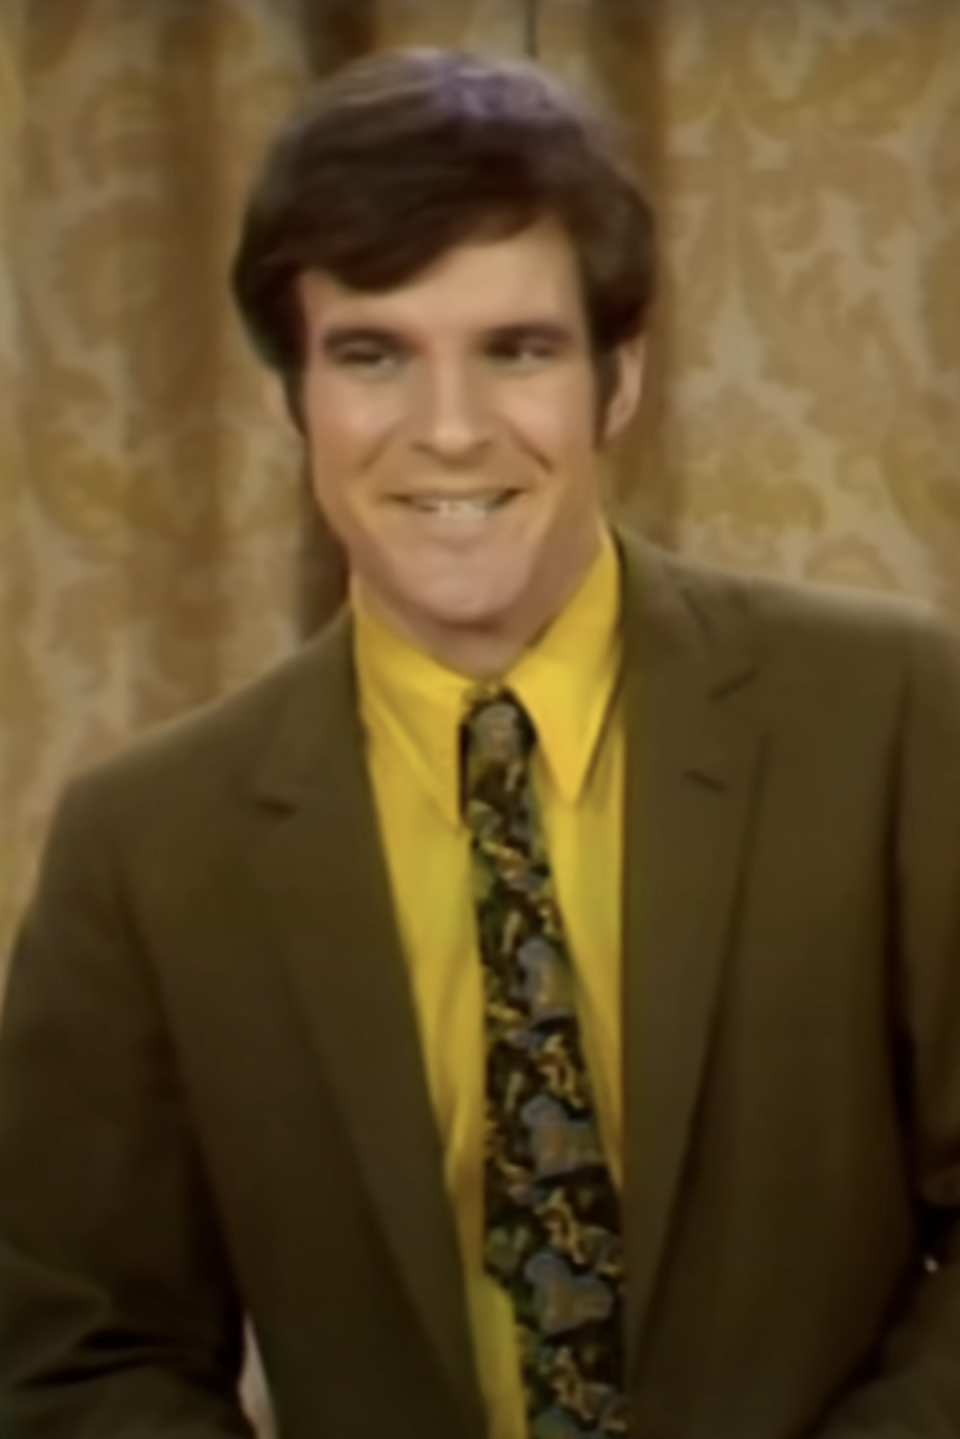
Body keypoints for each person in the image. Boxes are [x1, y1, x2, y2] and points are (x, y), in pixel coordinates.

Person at [1, 46, 959, 1439]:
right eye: (375, 354)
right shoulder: (147, 845)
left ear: (615, 381)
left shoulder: (898, 714)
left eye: (516, 350)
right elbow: (75, 1350)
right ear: (291, 398)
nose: (448, 431)